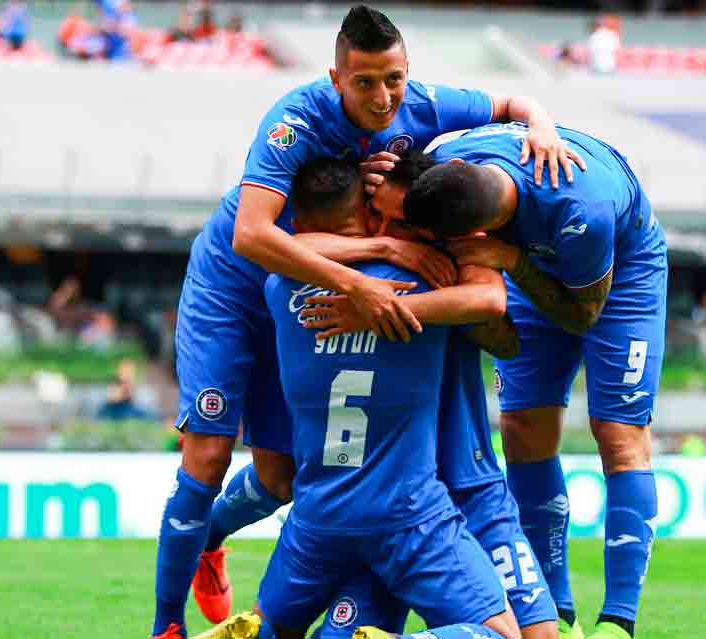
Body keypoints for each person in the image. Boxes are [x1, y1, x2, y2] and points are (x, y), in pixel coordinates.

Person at [155, 5, 584, 637]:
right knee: (210, 452)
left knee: (278, 477)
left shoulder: (429, 111)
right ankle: (166, 625)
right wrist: (373, 267)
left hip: (320, 286)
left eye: (394, 80)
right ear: (335, 78)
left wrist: (543, 126)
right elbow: (253, 235)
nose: (383, 98)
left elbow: (516, 102)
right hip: (240, 280)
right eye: (364, 83)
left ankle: (213, 537)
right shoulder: (296, 119)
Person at [312, 121, 667, 639]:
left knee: (618, 434)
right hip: (525, 263)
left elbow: (581, 314)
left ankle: (618, 621)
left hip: (618, 271)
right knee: (523, 429)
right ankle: (557, 609)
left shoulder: (581, 214)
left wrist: (514, 261)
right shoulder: (448, 157)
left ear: (478, 231)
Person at [289, 155, 558, 639]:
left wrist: (399, 307)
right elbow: (275, 245)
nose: (388, 230)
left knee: (539, 634)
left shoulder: (455, 260)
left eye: (402, 223)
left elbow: (503, 333)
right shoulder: (363, 268)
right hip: (395, 498)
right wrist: (387, 251)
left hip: (466, 481)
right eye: (380, 215)